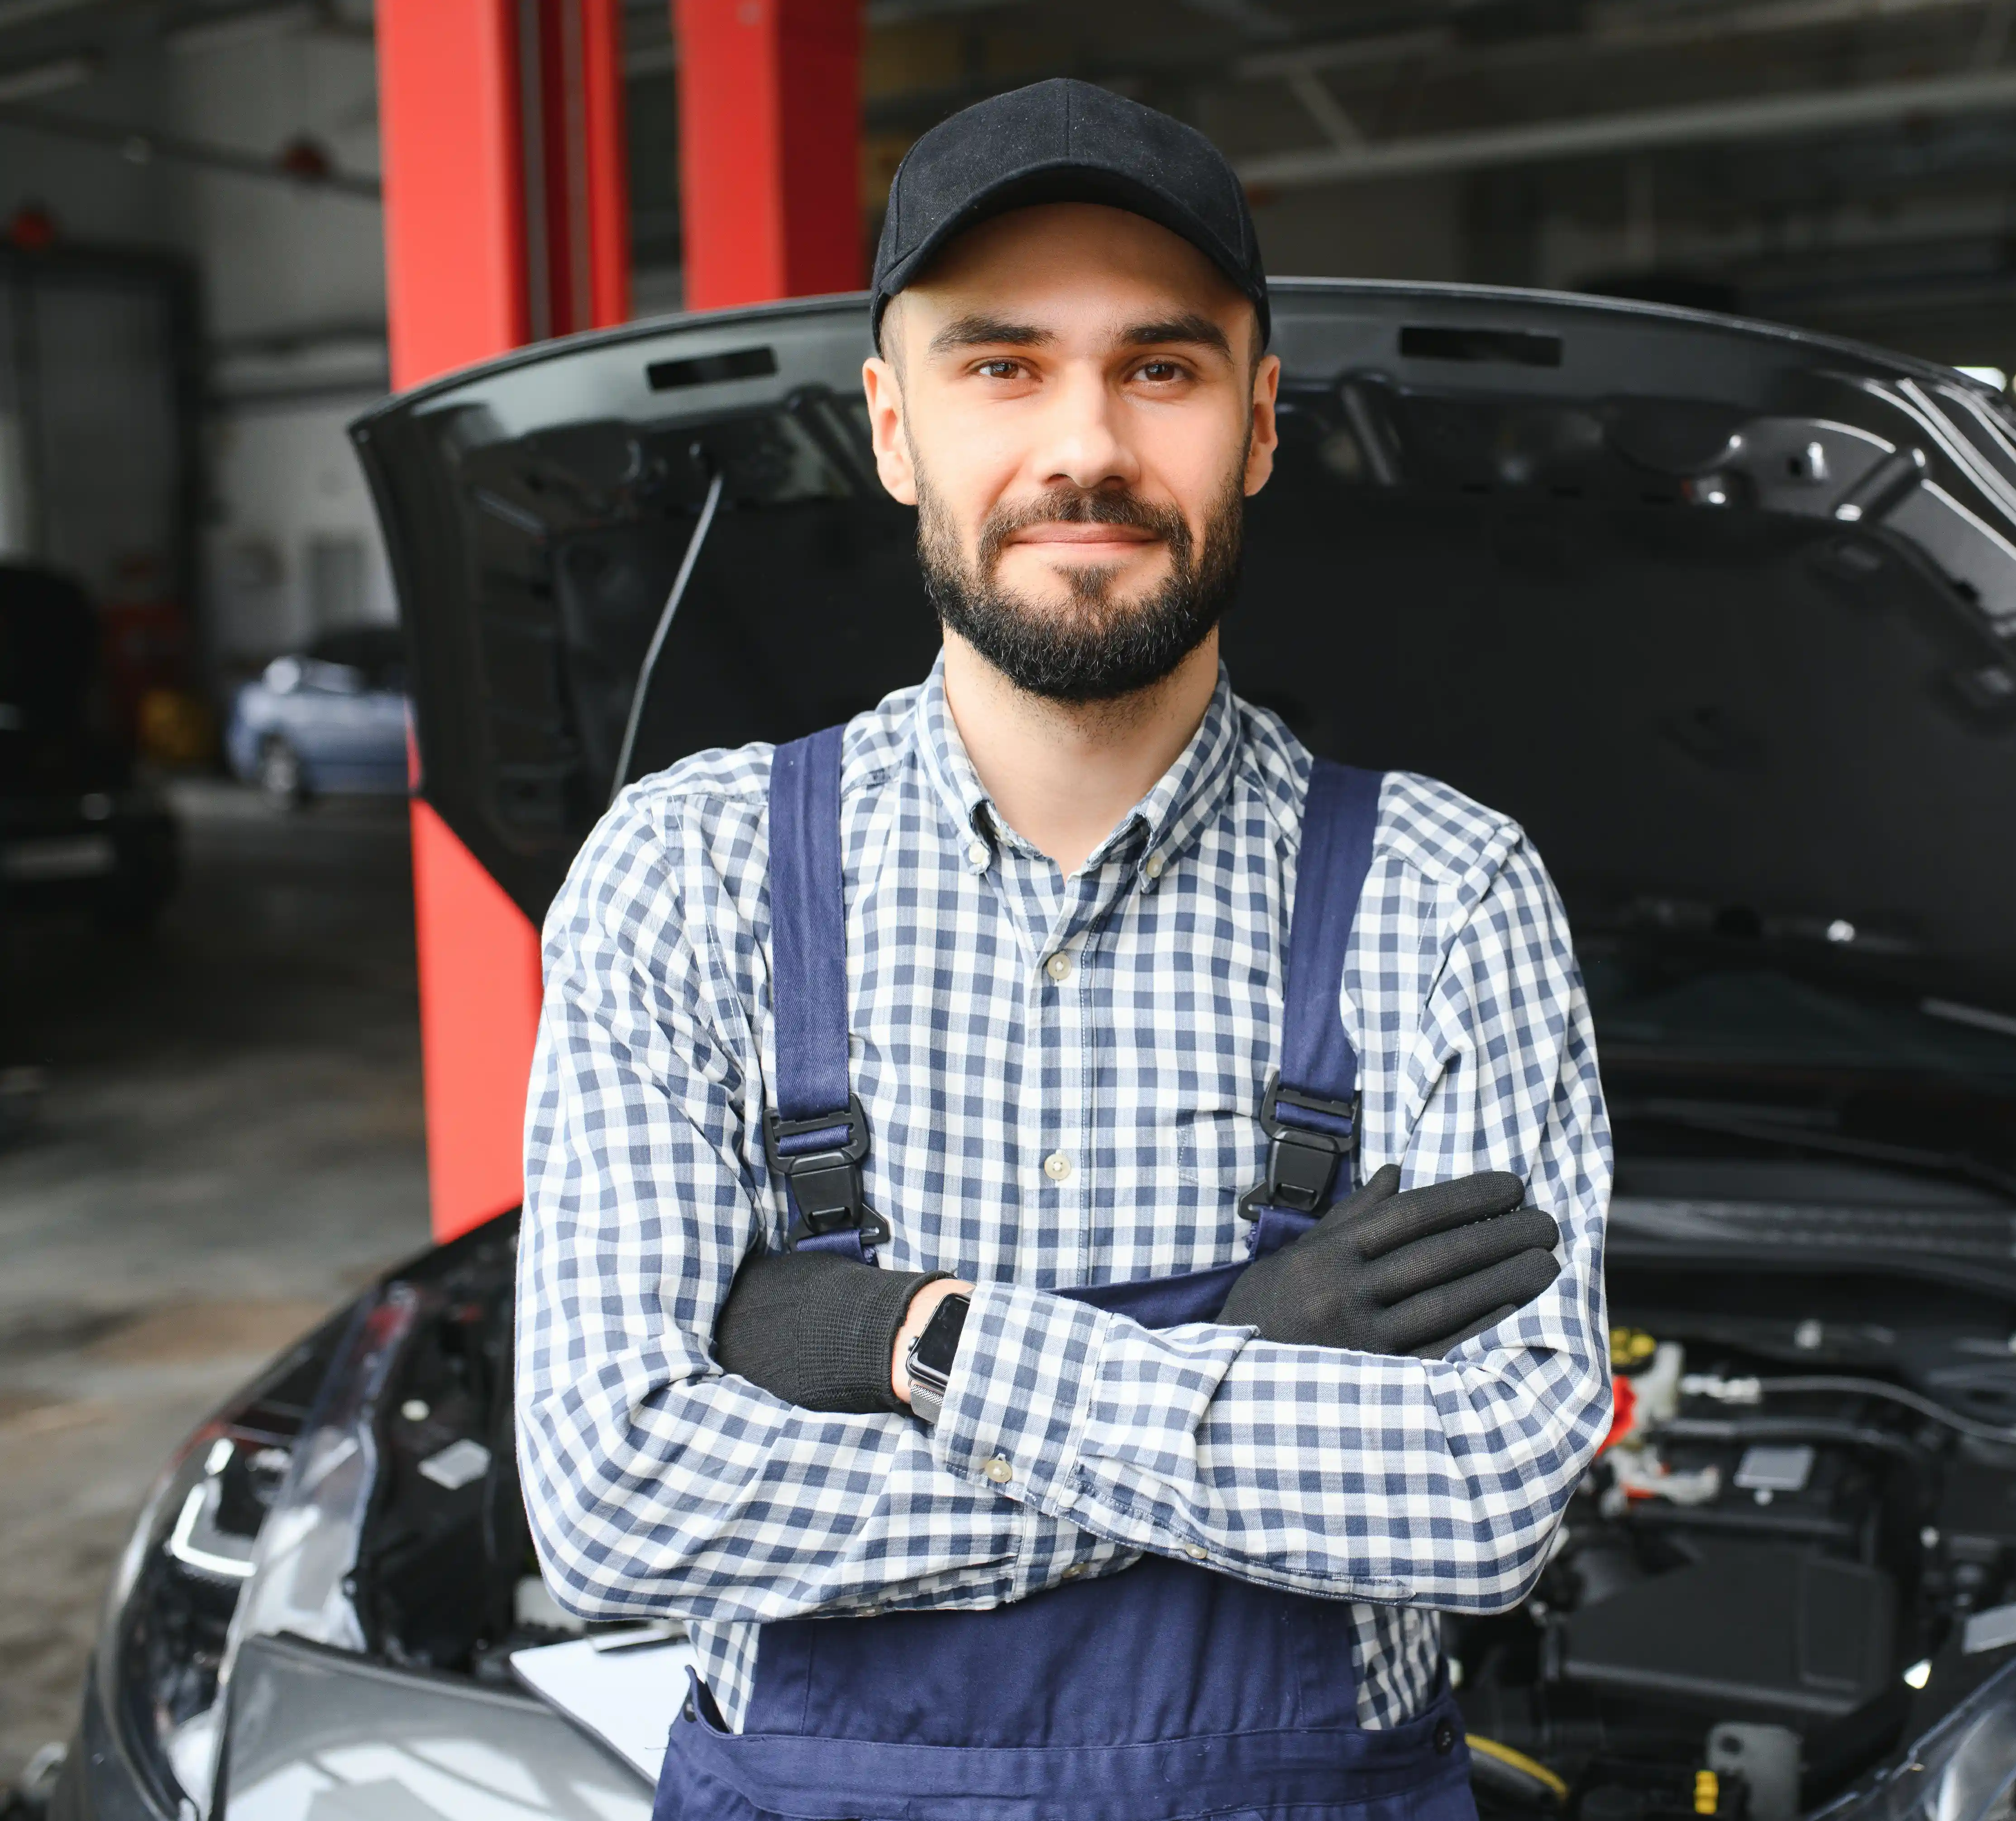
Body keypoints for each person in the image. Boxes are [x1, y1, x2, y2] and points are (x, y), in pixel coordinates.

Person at [516, 78, 1614, 1821]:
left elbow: (1486, 1505)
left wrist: (915, 1342)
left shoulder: (1448, 892)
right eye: (1001, 365)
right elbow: (616, 1503)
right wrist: (1254, 1370)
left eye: (1160, 369)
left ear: (1260, 425)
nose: (1085, 446)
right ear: (891, 426)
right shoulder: (689, 874)